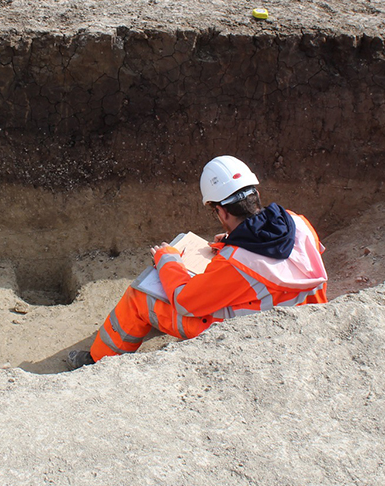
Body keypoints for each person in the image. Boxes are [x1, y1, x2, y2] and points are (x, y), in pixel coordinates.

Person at [66, 155, 328, 370]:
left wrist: (168, 261)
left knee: (140, 297)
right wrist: (234, 241)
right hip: (306, 314)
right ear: (255, 195)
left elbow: (185, 301)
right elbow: (282, 258)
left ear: (222, 211)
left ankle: (96, 362)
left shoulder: (237, 263)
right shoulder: (298, 222)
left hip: (255, 331)